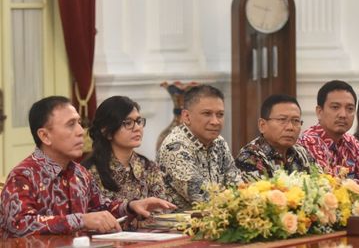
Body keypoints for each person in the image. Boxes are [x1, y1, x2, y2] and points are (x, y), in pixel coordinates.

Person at [0, 96, 175, 238]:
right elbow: (18, 224)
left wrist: (131, 206)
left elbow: (101, 207)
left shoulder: (79, 173)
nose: (80, 131)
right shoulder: (23, 176)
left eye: (79, 123)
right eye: (71, 125)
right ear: (45, 136)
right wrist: (81, 220)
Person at [157, 84, 242, 210]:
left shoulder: (219, 142)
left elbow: (237, 185)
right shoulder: (175, 147)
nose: (215, 121)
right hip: (179, 226)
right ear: (186, 116)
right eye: (207, 114)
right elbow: (203, 197)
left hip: (215, 220)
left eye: (220, 114)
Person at [82, 96, 166, 203]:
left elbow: (161, 210)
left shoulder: (149, 167)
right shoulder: (89, 172)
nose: (137, 128)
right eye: (128, 123)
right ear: (106, 131)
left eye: (139, 121)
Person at [235, 94, 316, 179]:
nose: (290, 127)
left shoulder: (301, 152)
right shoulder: (249, 157)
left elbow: (320, 182)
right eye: (282, 120)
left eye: (296, 121)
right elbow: (258, 191)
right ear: (262, 125)